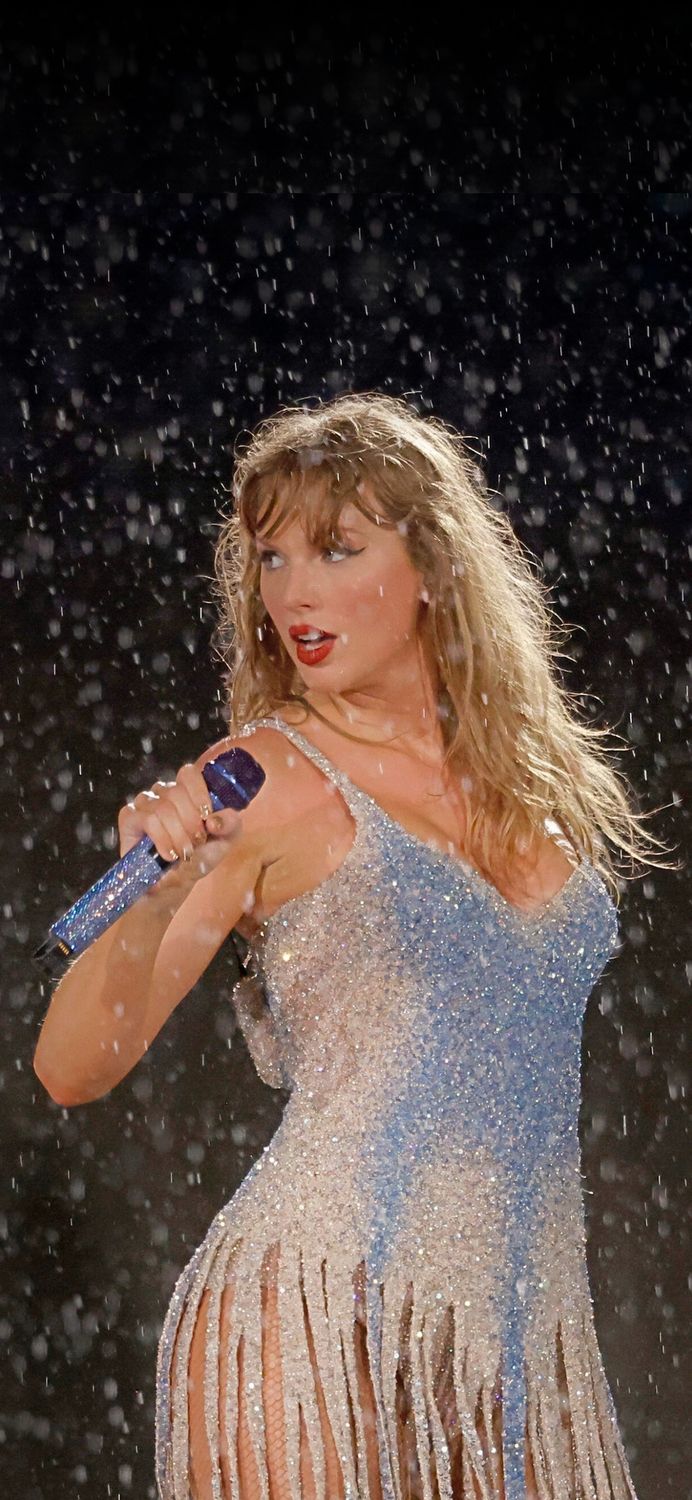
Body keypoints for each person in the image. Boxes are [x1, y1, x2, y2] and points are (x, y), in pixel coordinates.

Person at [33, 392, 676, 1499]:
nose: (294, 593)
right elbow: (71, 1067)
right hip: (311, 1319)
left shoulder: (535, 787)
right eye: (271, 558)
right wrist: (154, 894)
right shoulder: (266, 778)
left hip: (516, 1346)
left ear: (432, 565)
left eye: (334, 548)